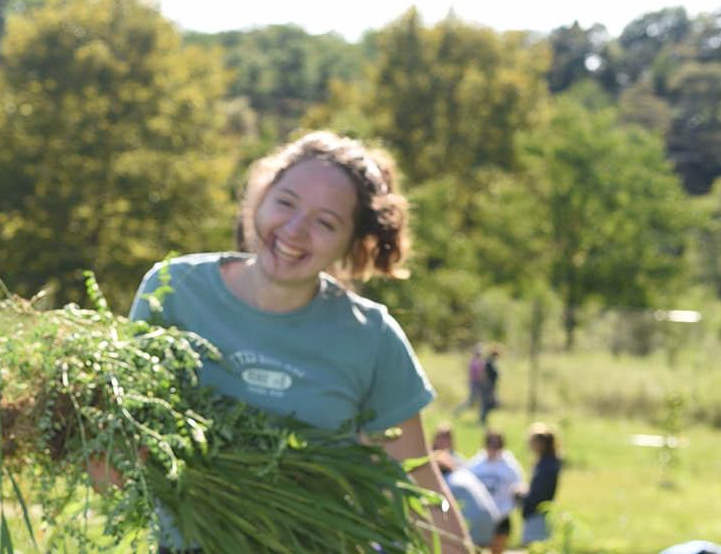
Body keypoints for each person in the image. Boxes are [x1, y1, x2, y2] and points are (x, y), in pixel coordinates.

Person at [127, 131, 468, 552]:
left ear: (353, 243)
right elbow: (127, 431)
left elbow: (417, 486)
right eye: (285, 203)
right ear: (261, 196)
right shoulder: (173, 291)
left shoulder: (370, 338)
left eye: (325, 222)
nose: (294, 230)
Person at [468, 429, 526, 554]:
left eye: (497, 445)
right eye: (491, 444)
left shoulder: (510, 466)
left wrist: (503, 510)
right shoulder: (475, 465)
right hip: (480, 517)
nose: (494, 448)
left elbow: (518, 489)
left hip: (502, 517)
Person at [434, 449, 500, 549]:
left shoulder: (446, 483)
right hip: (491, 521)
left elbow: (443, 512)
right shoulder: (463, 473)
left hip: (472, 528)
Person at [519, 422, 562, 545]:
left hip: (537, 515)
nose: (529, 444)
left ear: (541, 443)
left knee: (534, 545)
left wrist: (522, 496)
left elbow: (539, 494)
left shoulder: (547, 466)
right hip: (538, 514)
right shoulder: (546, 462)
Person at [453, 344, 488, 418]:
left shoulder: (479, 361)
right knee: (471, 401)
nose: (479, 354)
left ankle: (481, 417)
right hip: (475, 383)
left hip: (476, 383)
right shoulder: (475, 362)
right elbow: (478, 375)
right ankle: (457, 411)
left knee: (479, 401)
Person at [480, 346, 503, 424]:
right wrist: (486, 384)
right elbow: (485, 374)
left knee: (490, 403)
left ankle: (483, 418)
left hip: (491, 385)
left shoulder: (492, 362)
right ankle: (482, 419)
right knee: (487, 403)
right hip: (488, 385)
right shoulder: (489, 362)